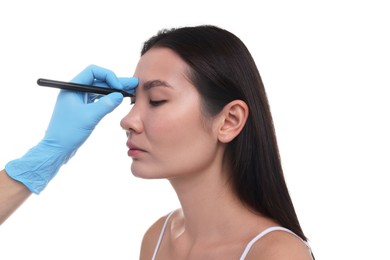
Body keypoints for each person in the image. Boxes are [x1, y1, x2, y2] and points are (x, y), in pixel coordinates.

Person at [1, 25, 314, 259]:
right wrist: (46, 154)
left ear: (229, 120)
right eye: (132, 101)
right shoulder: (158, 237)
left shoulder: (275, 253)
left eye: (157, 100)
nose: (128, 121)